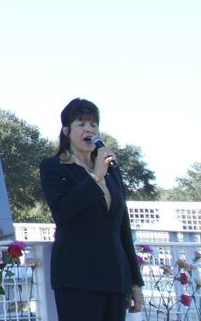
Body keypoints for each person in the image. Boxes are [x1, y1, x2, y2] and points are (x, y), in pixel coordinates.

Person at [39, 97, 144, 319]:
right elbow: (62, 212)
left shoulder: (112, 170)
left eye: (93, 124)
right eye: (81, 124)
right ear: (67, 130)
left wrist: (135, 283)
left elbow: (122, 227)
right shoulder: (53, 167)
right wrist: (95, 177)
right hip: (77, 277)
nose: (89, 129)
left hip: (115, 279)